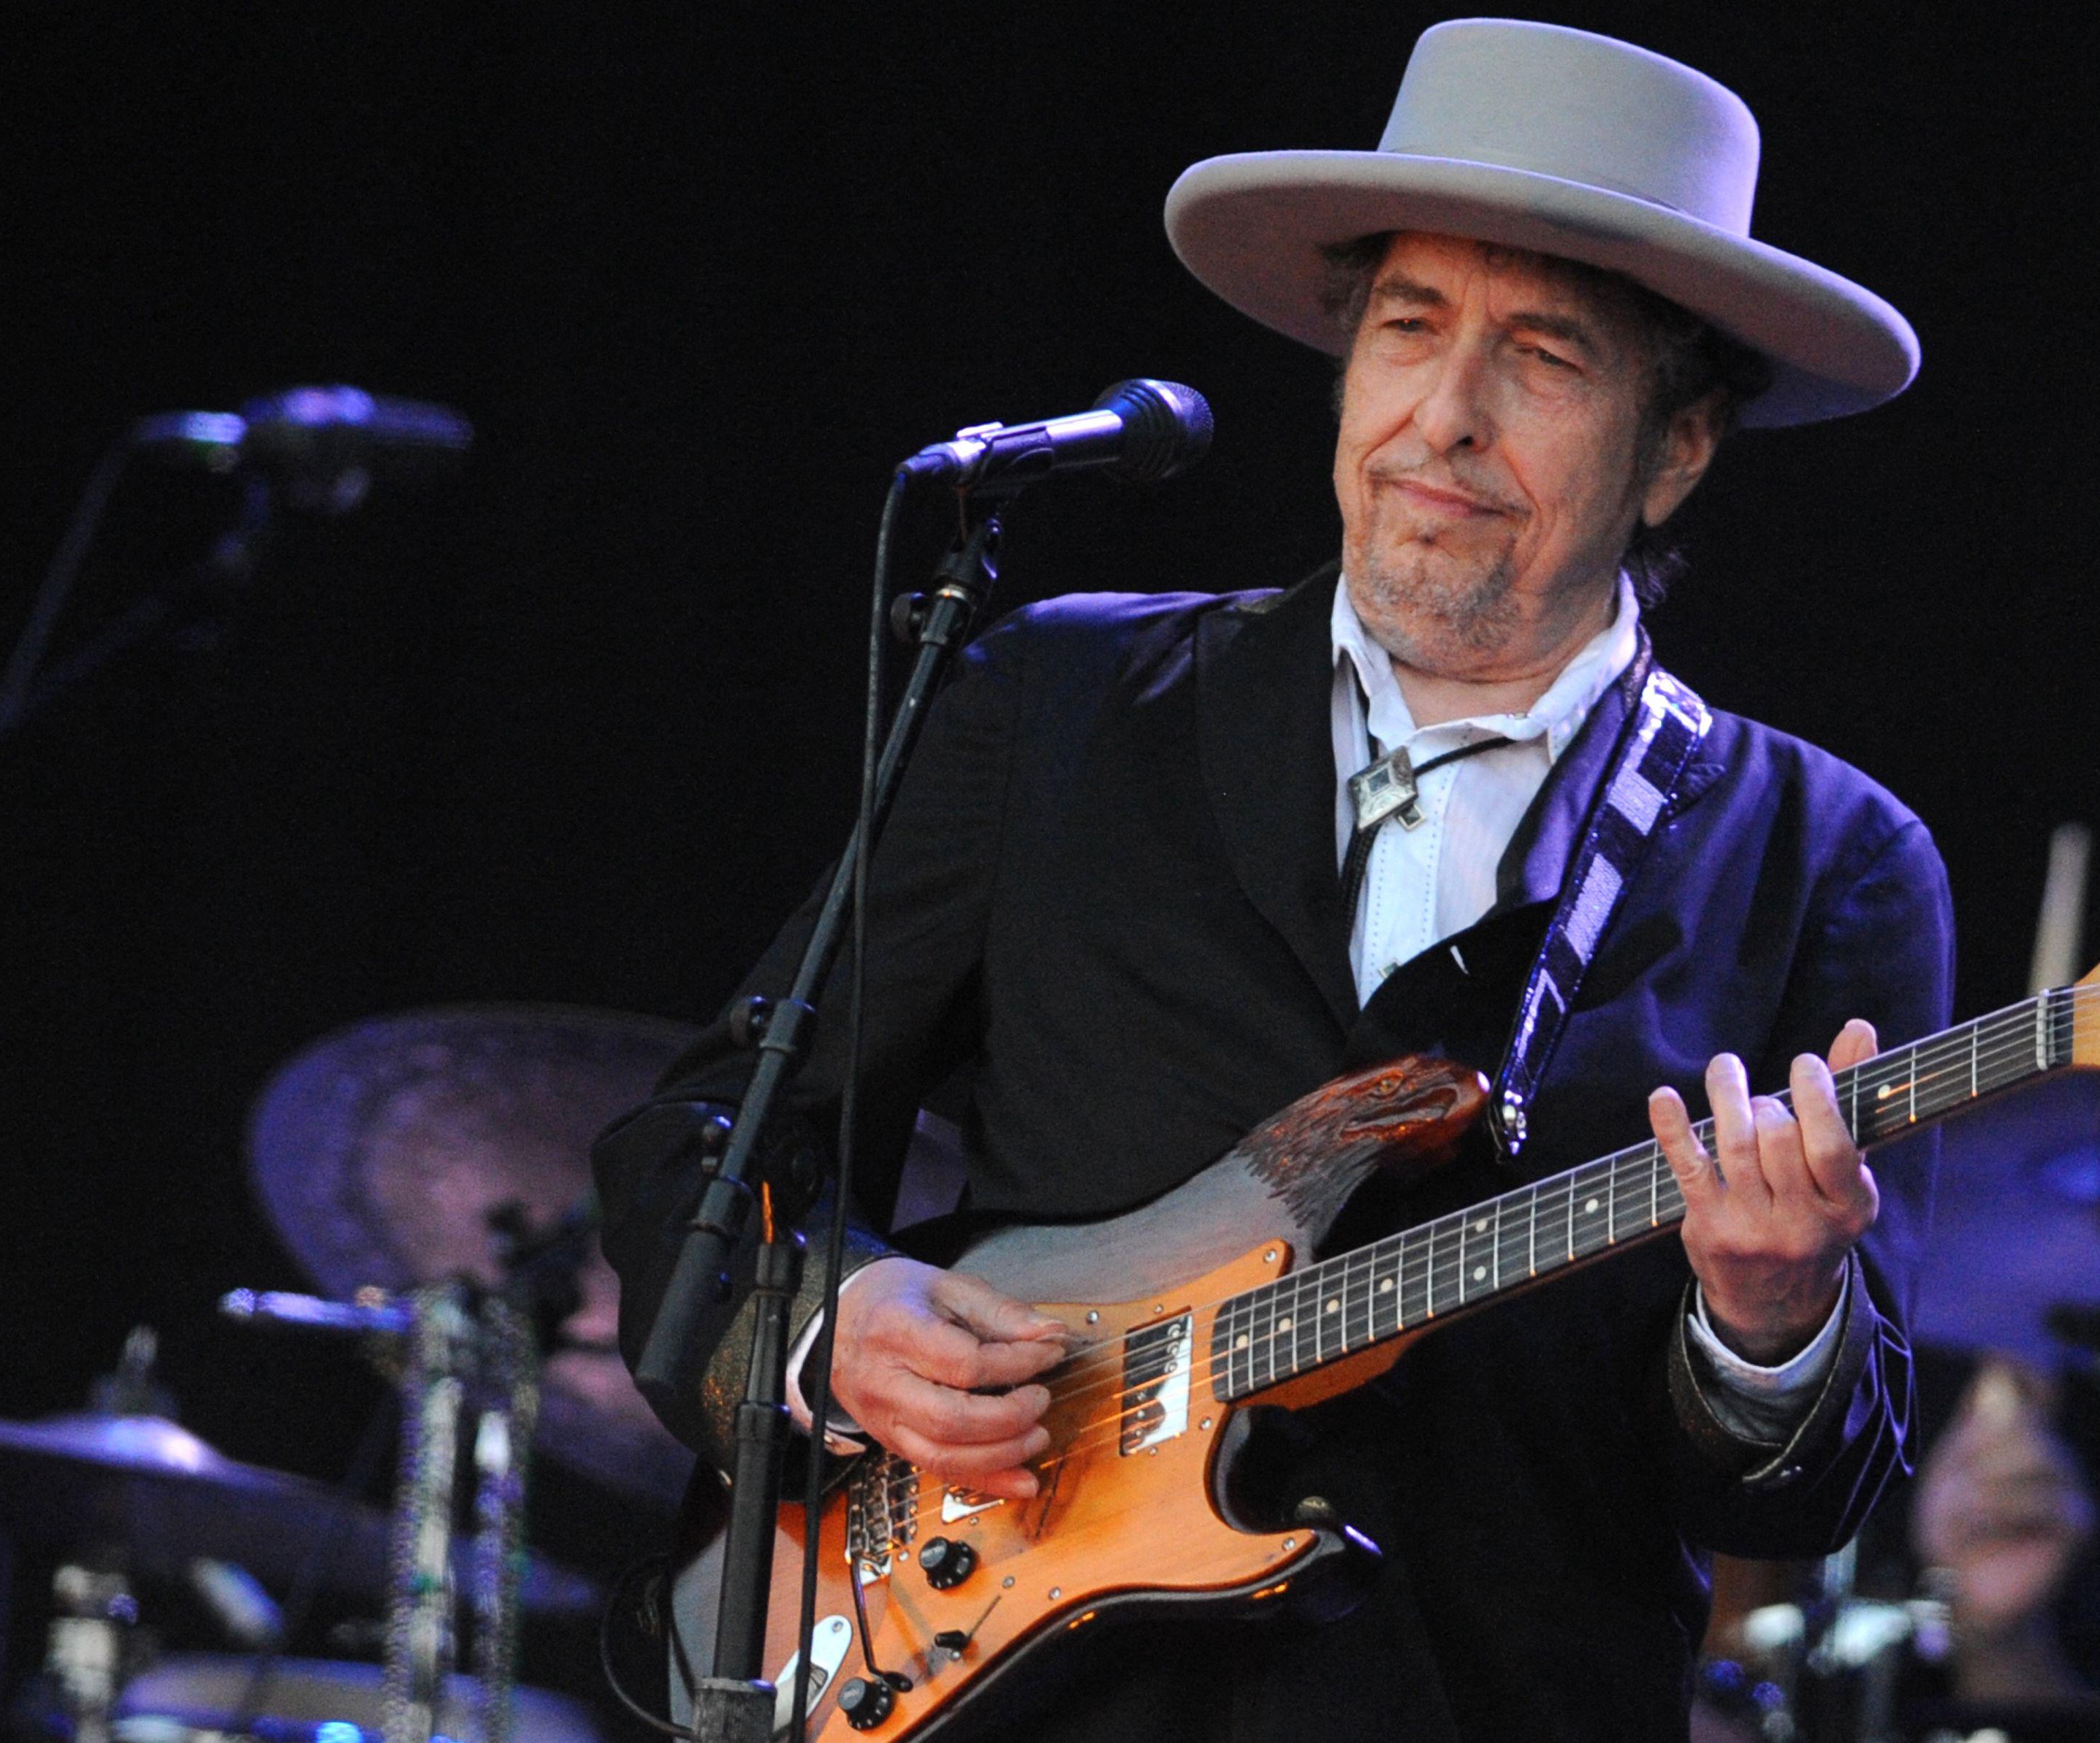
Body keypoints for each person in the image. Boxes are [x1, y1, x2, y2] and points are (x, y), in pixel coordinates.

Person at [597, 19, 1954, 1739]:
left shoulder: (1826, 856)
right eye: (1406, 327)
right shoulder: (1056, 700)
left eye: (1540, 356)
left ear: (1676, 444)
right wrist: (836, 1322)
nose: (1440, 420)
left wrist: (1773, 1312)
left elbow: (1798, 1495)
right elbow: (704, 1142)